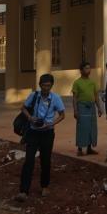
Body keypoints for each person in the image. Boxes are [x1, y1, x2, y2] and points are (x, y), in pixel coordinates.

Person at [17, 73, 66, 201]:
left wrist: (51, 123)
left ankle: (45, 186)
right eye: (44, 85)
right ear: (40, 85)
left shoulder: (55, 98)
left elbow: (62, 115)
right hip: (33, 132)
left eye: (48, 86)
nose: (46, 88)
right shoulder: (34, 95)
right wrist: (30, 118)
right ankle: (23, 190)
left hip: (47, 133)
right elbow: (23, 108)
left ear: (52, 86)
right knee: (29, 160)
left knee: (45, 160)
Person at [72, 61, 103, 156]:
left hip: (91, 107)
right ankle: (80, 149)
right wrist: (75, 110)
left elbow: (96, 96)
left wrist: (99, 108)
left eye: (89, 68)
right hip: (82, 107)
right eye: (86, 68)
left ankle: (89, 148)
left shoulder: (92, 82)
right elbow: (75, 98)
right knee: (82, 127)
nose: (88, 70)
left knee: (91, 128)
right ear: (81, 70)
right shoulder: (77, 82)